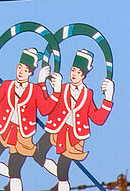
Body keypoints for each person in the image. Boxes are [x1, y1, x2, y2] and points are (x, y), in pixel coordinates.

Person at [0, 48, 61, 191]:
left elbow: (45, 109)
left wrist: (56, 91)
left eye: (25, 70)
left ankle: (16, 184)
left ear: (30, 73)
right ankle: (12, 183)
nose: (20, 72)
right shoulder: (7, 85)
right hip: (5, 130)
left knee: (15, 170)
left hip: (23, 136)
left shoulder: (34, 90)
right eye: (19, 67)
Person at [33, 50, 114, 191]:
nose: (73, 74)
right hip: (57, 129)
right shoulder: (62, 88)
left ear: (83, 75)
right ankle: (60, 181)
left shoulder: (87, 94)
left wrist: (108, 97)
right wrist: (42, 83)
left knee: (63, 173)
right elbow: (46, 106)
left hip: (74, 137)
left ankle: (62, 183)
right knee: (37, 153)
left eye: (77, 72)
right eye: (72, 70)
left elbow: (98, 118)